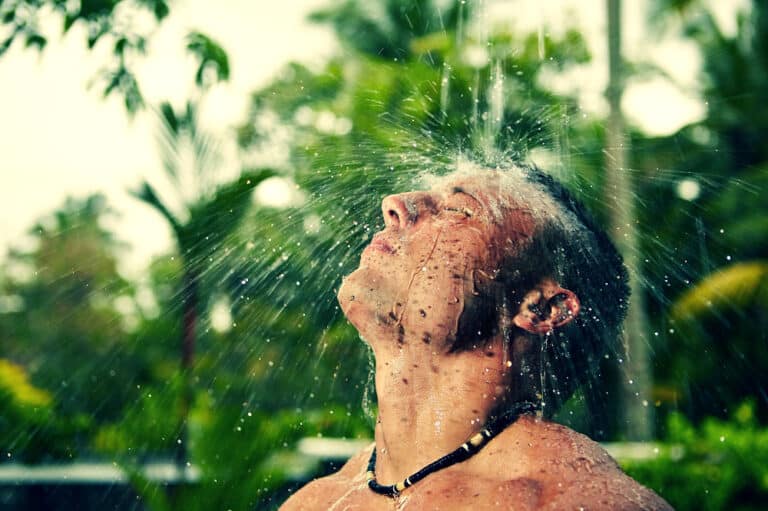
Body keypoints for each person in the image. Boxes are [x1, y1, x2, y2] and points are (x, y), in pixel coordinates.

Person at [280, 163, 673, 510]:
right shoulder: (316, 501)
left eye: (456, 210)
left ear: (540, 308)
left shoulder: (572, 500)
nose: (395, 204)